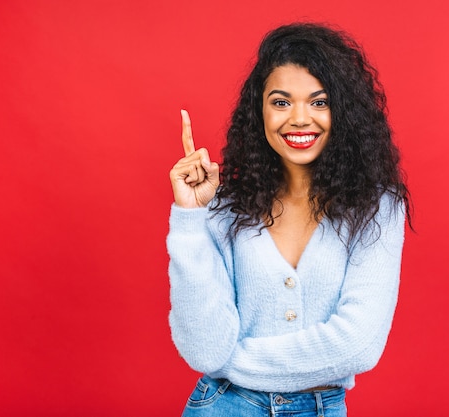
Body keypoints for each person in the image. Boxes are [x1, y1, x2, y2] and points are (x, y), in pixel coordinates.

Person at [167, 22, 411, 417]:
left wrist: (233, 364)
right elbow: (204, 348)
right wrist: (192, 218)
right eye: (281, 102)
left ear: (344, 112)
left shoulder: (377, 209)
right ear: (258, 111)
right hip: (223, 407)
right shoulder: (224, 207)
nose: (299, 118)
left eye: (319, 102)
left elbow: (358, 345)